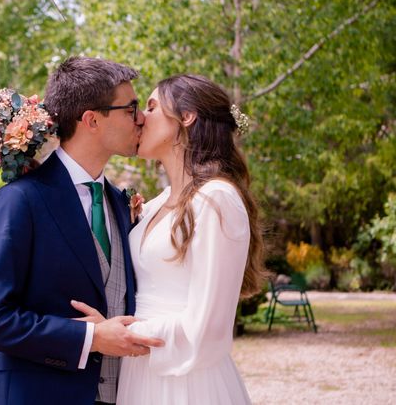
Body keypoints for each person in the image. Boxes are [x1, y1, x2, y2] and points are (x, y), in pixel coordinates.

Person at [0, 57, 164, 405]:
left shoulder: (120, 203)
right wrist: (89, 338)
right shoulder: (20, 200)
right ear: (91, 119)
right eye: (131, 108)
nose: (142, 119)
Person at [72, 74, 265, 404]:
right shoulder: (155, 204)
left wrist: (122, 334)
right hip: (137, 373)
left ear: (186, 117)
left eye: (151, 106)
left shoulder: (216, 199)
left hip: (187, 381)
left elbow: (209, 331)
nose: (140, 117)